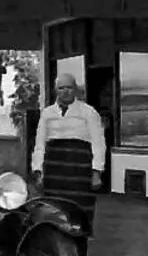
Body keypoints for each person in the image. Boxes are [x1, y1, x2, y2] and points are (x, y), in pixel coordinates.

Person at [31, 73, 106, 223]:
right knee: (53, 210)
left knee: (79, 213)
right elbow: (40, 144)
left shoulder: (89, 112)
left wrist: (96, 172)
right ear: (55, 90)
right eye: (61, 88)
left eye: (69, 88)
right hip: (54, 170)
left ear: (75, 90)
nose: (65, 91)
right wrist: (38, 171)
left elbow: (98, 143)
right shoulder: (47, 113)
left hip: (79, 170)